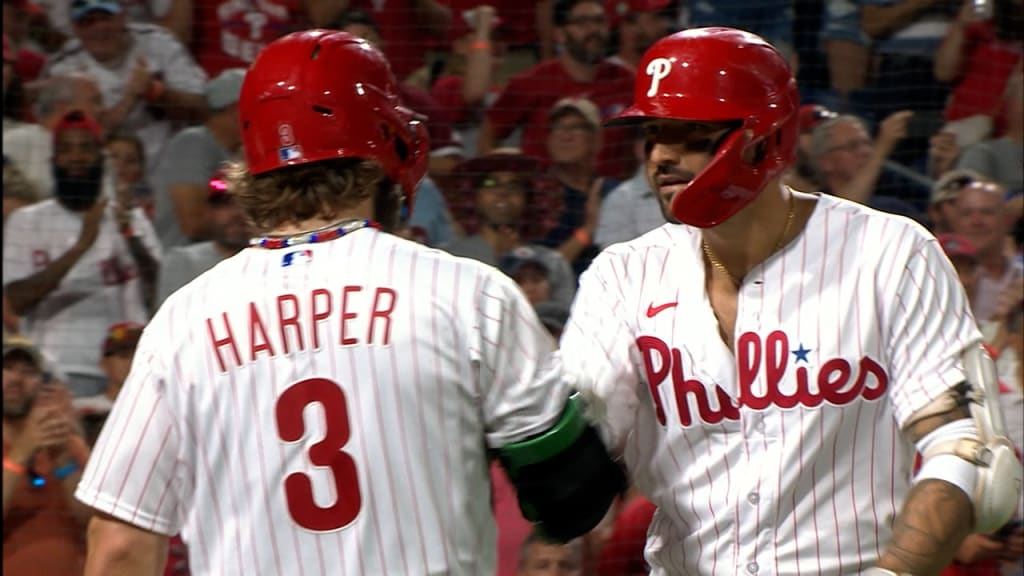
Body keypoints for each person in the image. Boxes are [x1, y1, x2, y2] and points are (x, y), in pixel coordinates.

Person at [76, 30, 624, 576]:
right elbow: (572, 498)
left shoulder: (184, 319)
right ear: (383, 138)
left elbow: (120, 545)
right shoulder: (465, 292)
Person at [559, 27, 1021, 574]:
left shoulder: (890, 252)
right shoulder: (621, 274)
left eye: (689, 135)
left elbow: (970, 454)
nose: (661, 156)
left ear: (765, 137)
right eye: (654, 134)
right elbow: (577, 444)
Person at [2, 111, 160, 397]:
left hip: (128, 367)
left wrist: (129, 233)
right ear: (53, 160)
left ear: (101, 159)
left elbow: (156, 284)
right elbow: (16, 300)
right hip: (54, 370)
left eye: (85, 148)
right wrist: (81, 246)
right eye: (66, 149)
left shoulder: (131, 219)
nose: (76, 158)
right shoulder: (26, 221)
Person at [2, 335, 92, 574]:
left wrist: (64, 462)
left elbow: (94, 522)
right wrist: (21, 453)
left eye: (28, 372)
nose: (17, 379)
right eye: (7, 368)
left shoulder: (67, 444)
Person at [155, 169, 252, 307]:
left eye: (243, 203)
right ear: (208, 212)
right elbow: (167, 325)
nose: (235, 213)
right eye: (223, 204)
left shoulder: (271, 262)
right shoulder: (182, 262)